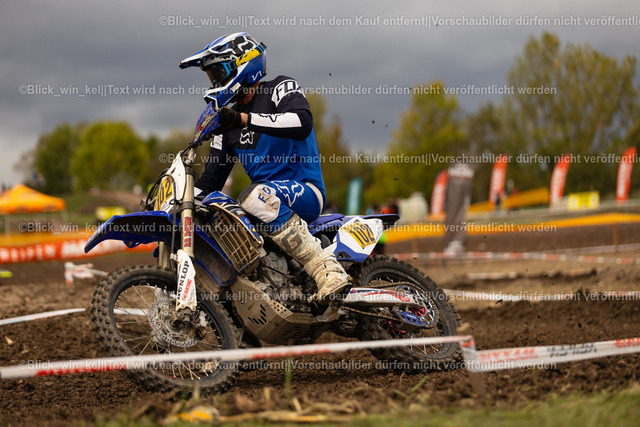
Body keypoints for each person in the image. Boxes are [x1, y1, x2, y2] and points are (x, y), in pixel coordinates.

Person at [179, 32, 349, 303]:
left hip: (305, 191)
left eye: (219, 73)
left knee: (254, 195)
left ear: (243, 64)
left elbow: (302, 121)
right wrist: (178, 204)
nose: (216, 83)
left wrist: (243, 119)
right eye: (212, 77)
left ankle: (326, 269)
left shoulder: (280, 87)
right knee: (215, 209)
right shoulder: (228, 123)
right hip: (264, 203)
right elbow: (210, 182)